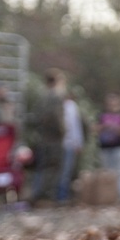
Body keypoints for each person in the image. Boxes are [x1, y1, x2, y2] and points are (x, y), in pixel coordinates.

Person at [28, 68, 67, 203]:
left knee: (42, 167)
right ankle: (46, 196)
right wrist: (63, 132)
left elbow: (35, 118)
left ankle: (37, 193)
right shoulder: (56, 97)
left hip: (43, 137)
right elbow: (58, 118)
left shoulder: (41, 98)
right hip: (55, 138)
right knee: (54, 167)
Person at [92, 92, 120, 202]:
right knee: (107, 174)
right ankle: (110, 197)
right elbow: (94, 129)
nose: (111, 104)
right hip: (104, 148)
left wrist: (117, 129)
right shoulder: (101, 115)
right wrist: (104, 127)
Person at [57, 93, 84, 202]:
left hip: (67, 144)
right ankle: (61, 196)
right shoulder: (67, 107)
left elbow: (75, 126)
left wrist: (78, 143)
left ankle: (62, 196)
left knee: (65, 171)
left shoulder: (70, 106)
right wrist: (78, 143)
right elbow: (75, 127)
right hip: (62, 145)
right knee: (64, 171)